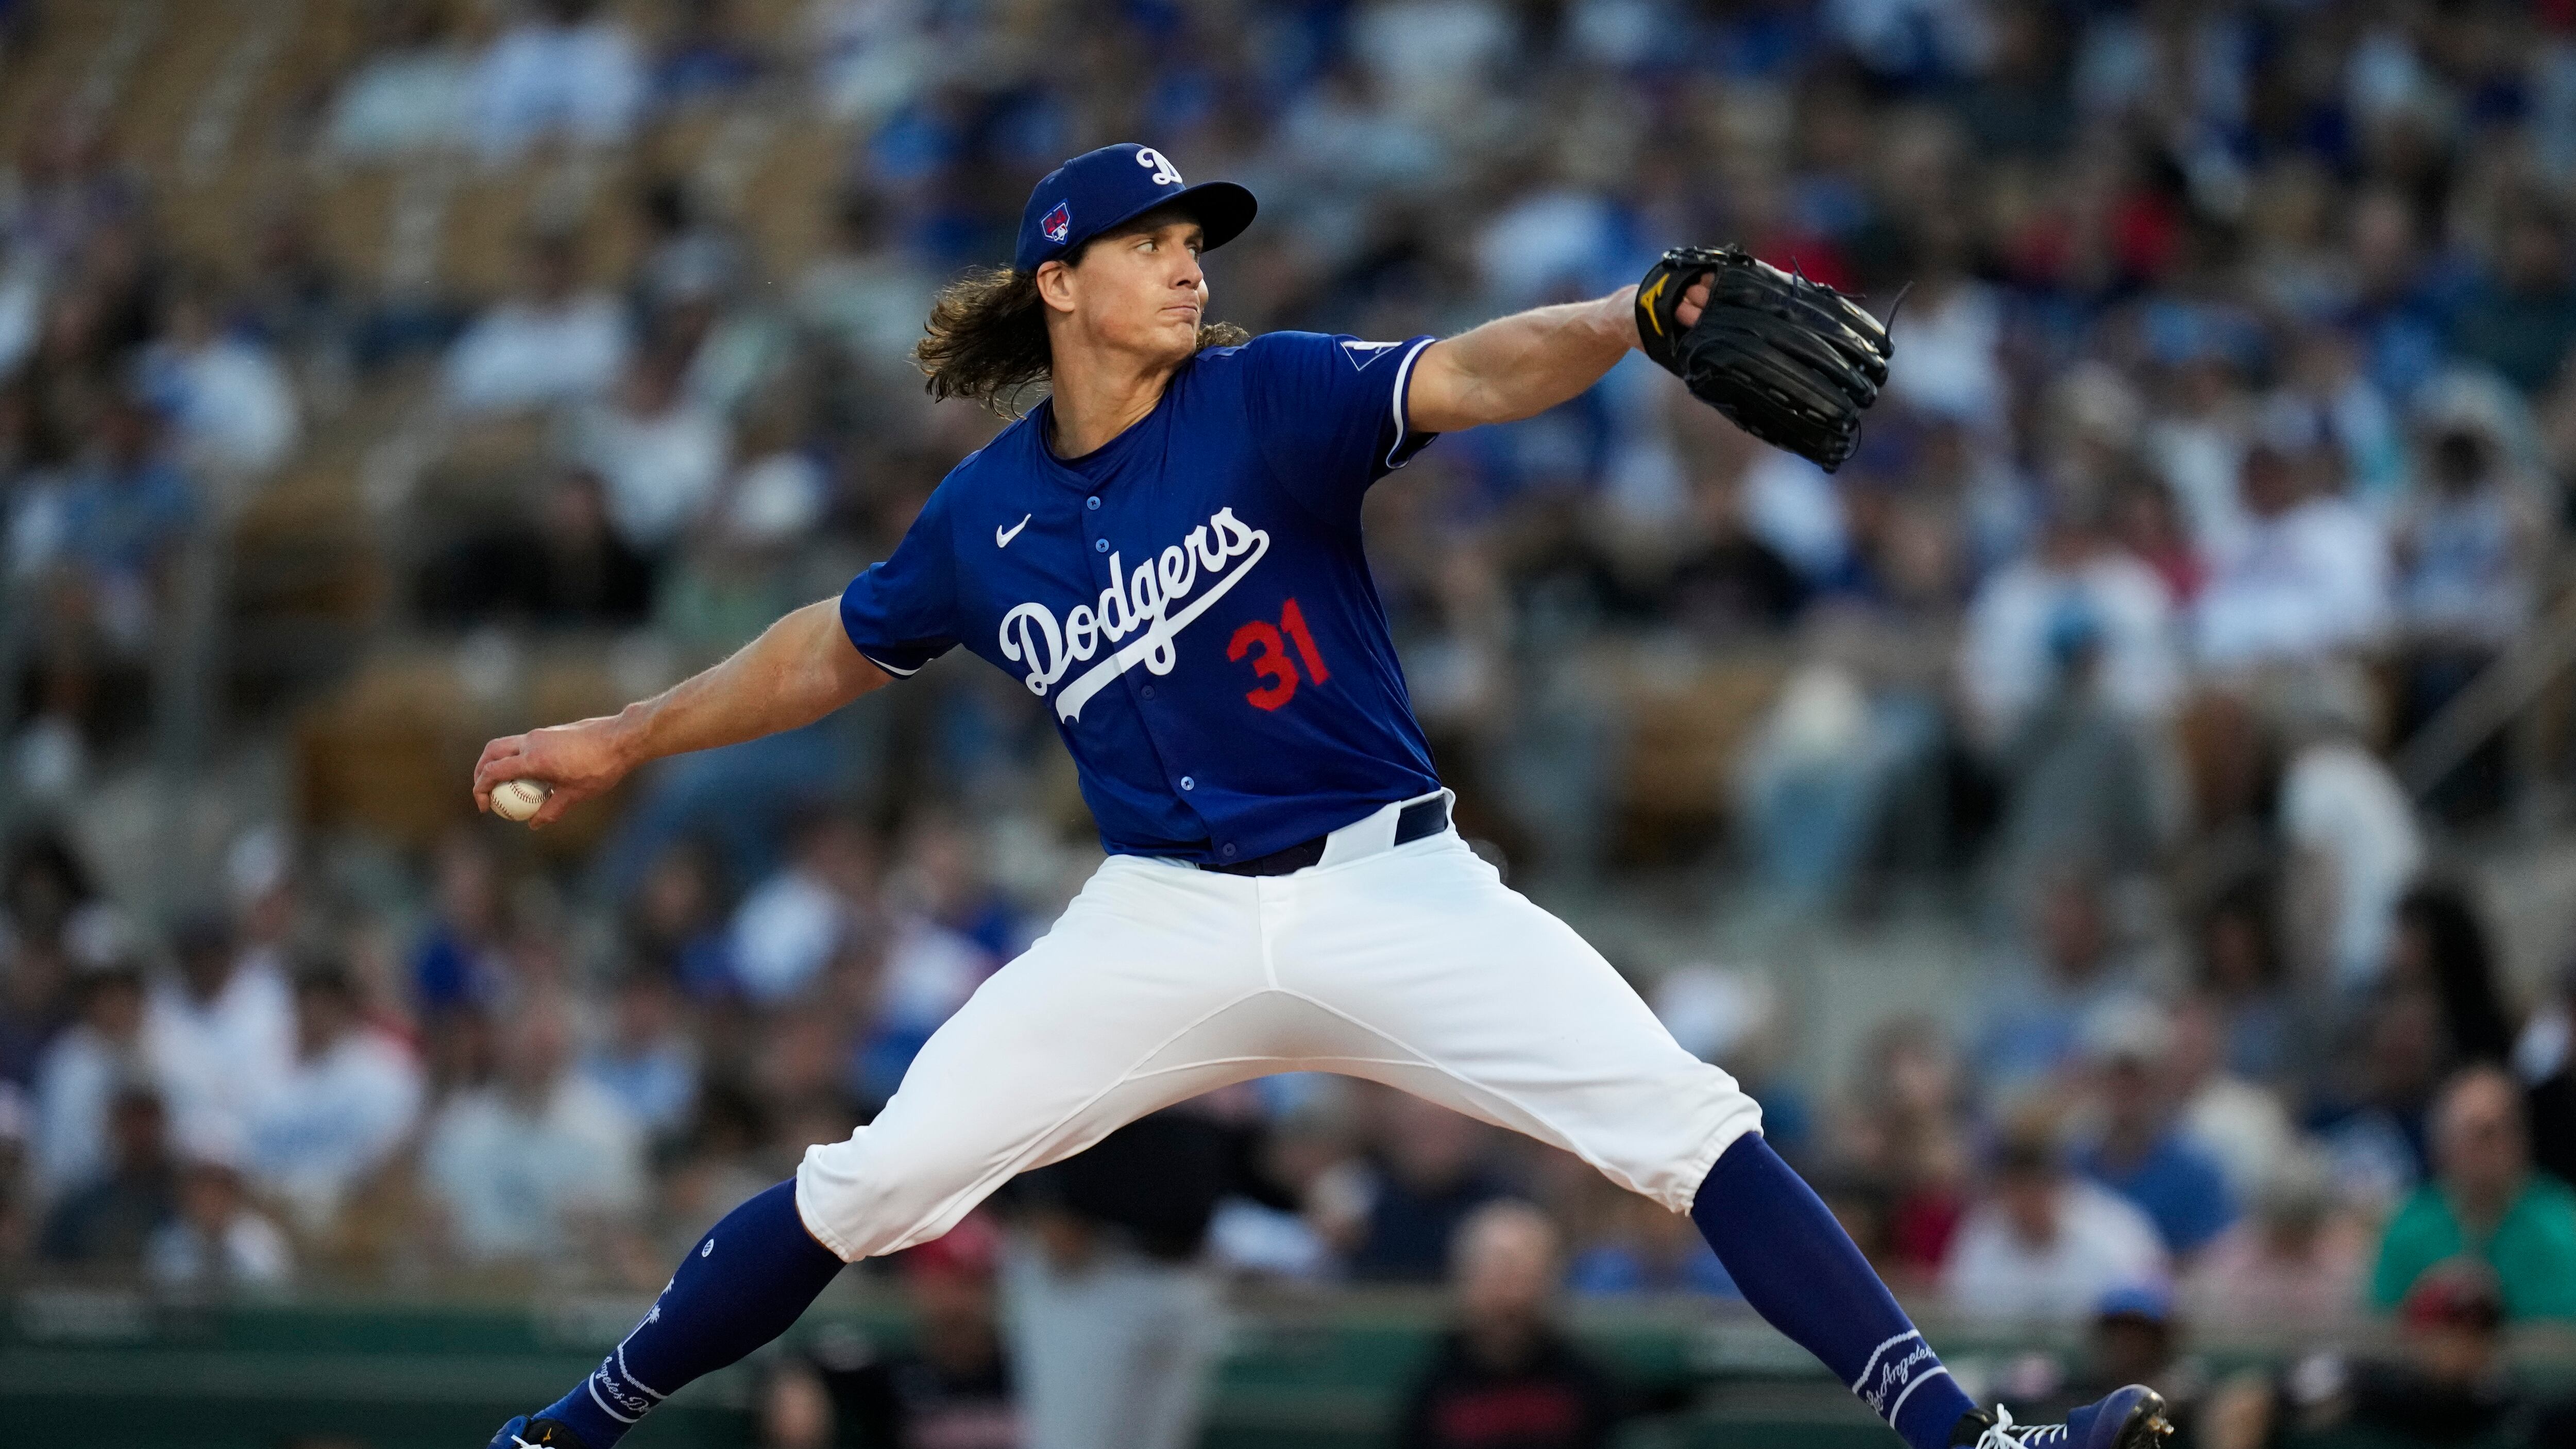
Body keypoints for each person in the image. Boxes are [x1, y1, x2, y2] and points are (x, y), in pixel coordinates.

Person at [476, 143, 2167, 1449]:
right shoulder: (983, 518)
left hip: (1391, 889)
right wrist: (625, 733)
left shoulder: (1266, 394)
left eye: (1195, 241)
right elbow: (833, 648)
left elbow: (1472, 374)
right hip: (1160, 918)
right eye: (1150, 243)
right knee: (870, 1181)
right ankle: (569, 1429)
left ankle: (1970, 1436)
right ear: (1058, 282)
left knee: (1690, 1121)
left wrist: (1625, 320)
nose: (1188, 264)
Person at [1391, 1201, 1626, 1449]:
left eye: (1522, 1277)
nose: (1509, 1298)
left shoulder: (1587, 1381)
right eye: (1494, 1276)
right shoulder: (1432, 1385)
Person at [2371, 1066, 2576, 1321]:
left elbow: (2563, 1328)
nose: (2483, 1149)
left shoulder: (2560, 1223)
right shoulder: (2411, 1225)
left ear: (2520, 1139)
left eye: (2492, 1133)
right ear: (2440, 1144)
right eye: (2469, 1134)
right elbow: (2376, 1321)